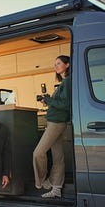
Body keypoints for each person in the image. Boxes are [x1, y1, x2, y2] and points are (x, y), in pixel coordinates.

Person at [33, 55, 71, 198]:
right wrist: (48, 101)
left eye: (59, 63)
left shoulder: (68, 82)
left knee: (38, 153)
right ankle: (56, 189)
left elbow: (65, 105)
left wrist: (48, 100)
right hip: (55, 121)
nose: (56, 66)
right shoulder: (64, 82)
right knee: (58, 157)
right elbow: (60, 103)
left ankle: (43, 182)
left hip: (56, 122)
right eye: (55, 64)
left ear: (67, 65)